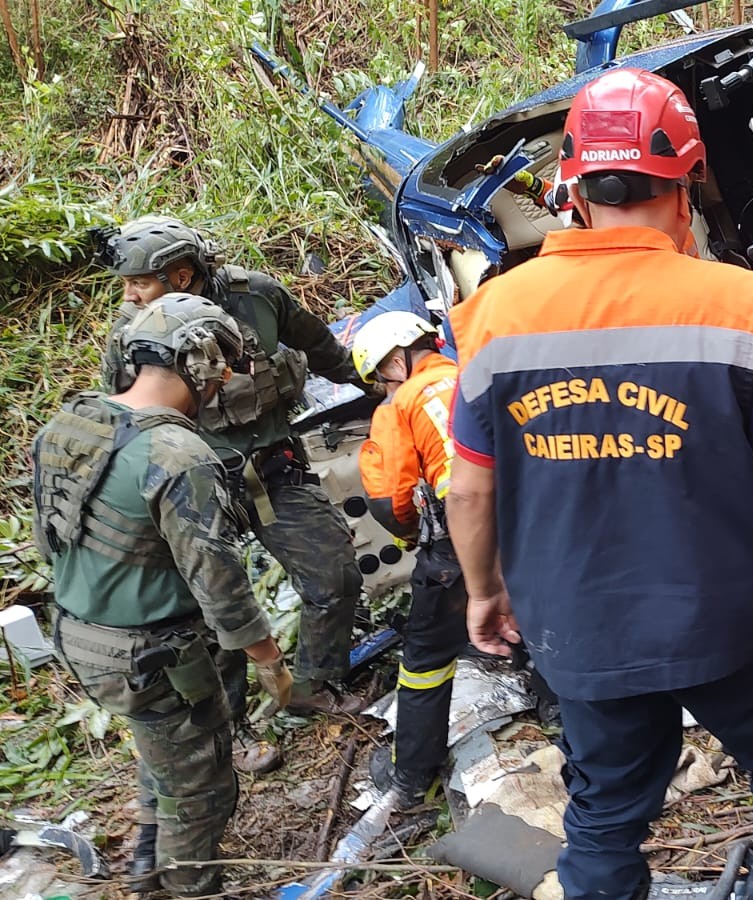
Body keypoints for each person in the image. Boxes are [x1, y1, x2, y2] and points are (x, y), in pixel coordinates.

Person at [448, 69, 753, 900]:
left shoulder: (494, 315)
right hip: (732, 621)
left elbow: (468, 490)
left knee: (604, 811)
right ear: (687, 186)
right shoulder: (738, 306)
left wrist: (483, 590)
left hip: (578, 627)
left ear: (571, 189)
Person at [32, 294, 296, 895]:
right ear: (200, 362)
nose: (223, 380)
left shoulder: (71, 423)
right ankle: (189, 885)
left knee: (164, 752)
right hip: (151, 654)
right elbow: (218, 579)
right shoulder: (178, 455)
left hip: (77, 633)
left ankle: (145, 867)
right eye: (221, 365)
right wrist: (268, 661)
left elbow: (50, 538)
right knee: (202, 787)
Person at [94, 216, 370, 717]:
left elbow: (322, 348)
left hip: (271, 470)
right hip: (192, 490)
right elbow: (122, 413)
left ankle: (312, 684)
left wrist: (382, 382)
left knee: (335, 575)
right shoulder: (129, 335)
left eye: (139, 283)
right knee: (207, 612)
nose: (130, 295)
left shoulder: (257, 296)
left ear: (180, 276)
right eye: (127, 285)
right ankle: (230, 727)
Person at [351, 311, 467, 805]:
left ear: (397, 362)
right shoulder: (476, 373)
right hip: (534, 520)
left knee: (426, 657)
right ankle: (556, 711)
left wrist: (412, 538)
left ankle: (413, 774)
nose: (382, 387)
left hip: (460, 539)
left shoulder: (399, 406)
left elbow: (391, 499)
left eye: (379, 377)